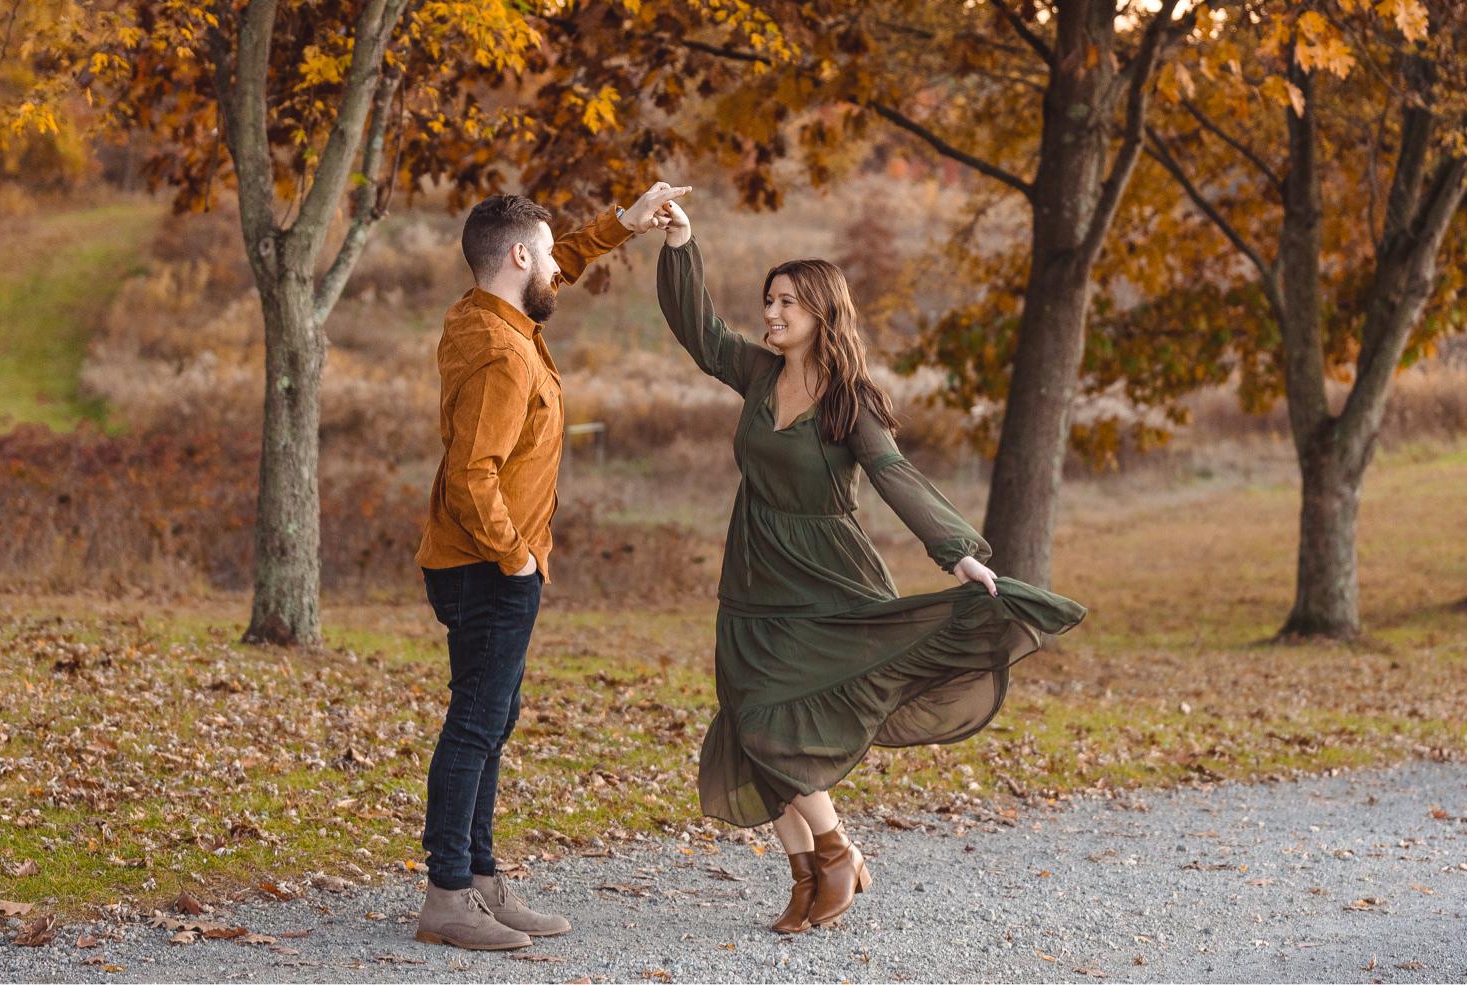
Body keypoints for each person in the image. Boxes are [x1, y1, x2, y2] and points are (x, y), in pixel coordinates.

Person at [652, 198, 1086, 934]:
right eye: (769, 299)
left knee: (769, 724)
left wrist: (959, 553)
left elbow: (894, 475)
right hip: (754, 575)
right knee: (746, 717)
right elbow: (699, 332)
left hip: (824, 580)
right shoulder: (758, 374)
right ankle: (805, 879)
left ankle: (836, 851)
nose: (773, 311)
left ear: (823, 311)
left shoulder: (852, 403)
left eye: (788, 300)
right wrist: (681, 243)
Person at [413, 182, 689, 951]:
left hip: (478, 563)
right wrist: (518, 557)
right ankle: (447, 893)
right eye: (542, 254)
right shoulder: (503, 353)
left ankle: (480, 878)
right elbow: (474, 472)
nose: (554, 273)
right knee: (475, 724)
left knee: (492, 719)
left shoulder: (482, 312)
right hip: (488, 566)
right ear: (518, 256)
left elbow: (556, 260)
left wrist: (622, 227)